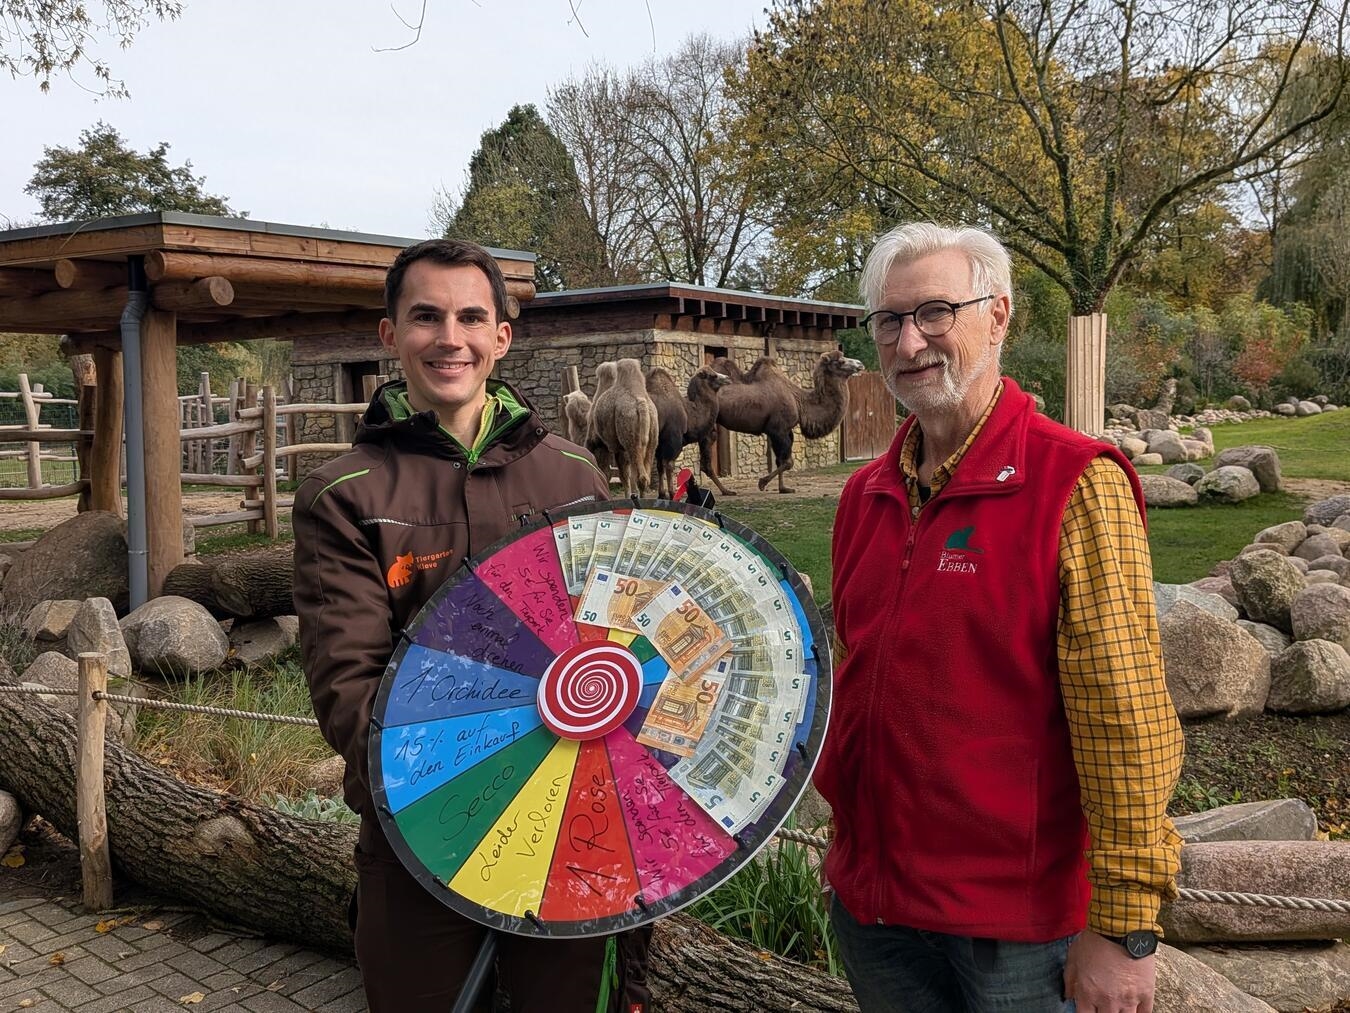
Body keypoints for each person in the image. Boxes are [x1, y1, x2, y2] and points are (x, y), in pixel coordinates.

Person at [815, 222, 1184, 1013]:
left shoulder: (1075, 484)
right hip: (878, 913)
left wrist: (1123, 927)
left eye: (936, 312)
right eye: (890, 319)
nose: (911, 341)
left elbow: (1127, 721)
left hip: (1016, 934)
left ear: (1000, 316)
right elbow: (854, 678)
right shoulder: (863, 497)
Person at [293, 238, 646, 1012]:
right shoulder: (345, 493)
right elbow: (348, 685)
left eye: (469, 317)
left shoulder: (573, 473)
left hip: (571, 825)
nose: (449, 338)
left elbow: (614, 632)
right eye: (426, 317)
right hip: (420, 826)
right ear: (390, 335)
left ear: (500, 337)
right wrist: (474, 783)